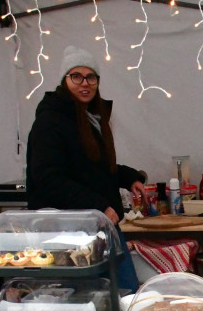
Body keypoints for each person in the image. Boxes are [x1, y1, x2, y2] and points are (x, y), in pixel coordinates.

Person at [26, 46, 145, 293]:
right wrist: (98, 206)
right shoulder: (50, 121)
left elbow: (92, 168)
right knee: (94, 296)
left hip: (99, 225)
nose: (85, 83)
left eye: (91, 77)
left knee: (123, 291)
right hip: (69, 230)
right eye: (76, 76)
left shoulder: (92, 117)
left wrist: (128, 177)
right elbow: (49, 178)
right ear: (64, 80)